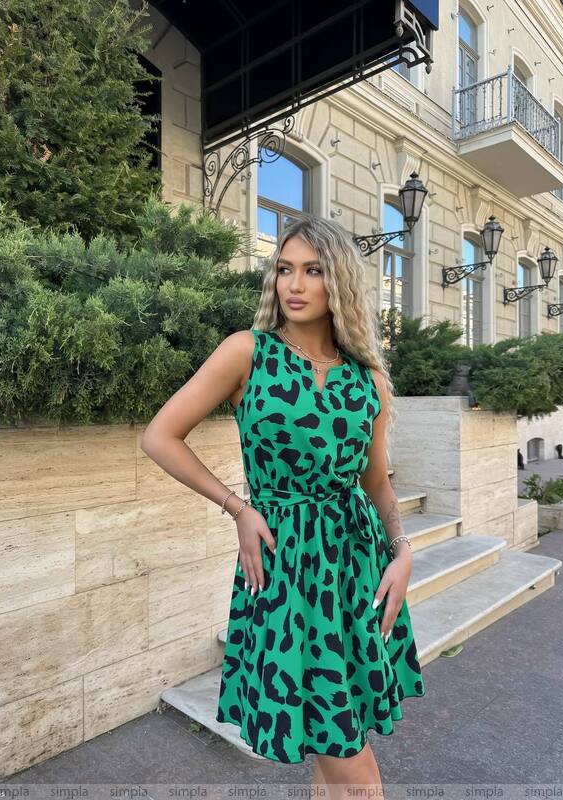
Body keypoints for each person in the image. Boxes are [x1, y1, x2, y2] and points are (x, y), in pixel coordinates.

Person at [141, 214, 425, 795]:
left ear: (338, 281)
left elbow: (377, 486)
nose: (294, 284)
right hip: (286, 570)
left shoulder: (366, 380)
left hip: (354, 569)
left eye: (312, 270)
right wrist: (238, 508)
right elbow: (160, 436)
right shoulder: (248, 353)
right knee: (352, 765)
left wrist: (403, 550)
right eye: (284, 269)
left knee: (332, 743)